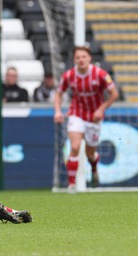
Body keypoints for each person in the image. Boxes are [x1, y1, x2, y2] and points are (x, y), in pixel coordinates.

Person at [54, 46, 119, 191]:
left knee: (90, 153)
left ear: (89, 58)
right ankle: (72, 184)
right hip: (77, 113)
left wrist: (101, 109)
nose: (81, 60)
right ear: (74, 60)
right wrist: (58, 111)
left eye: (84, 57)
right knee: (75, 147)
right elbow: (58, 93)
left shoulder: (100, 74)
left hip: (94, 117)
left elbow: (114, 93)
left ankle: (94, 169)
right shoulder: (69, 75)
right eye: (78, 57)